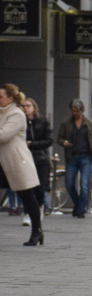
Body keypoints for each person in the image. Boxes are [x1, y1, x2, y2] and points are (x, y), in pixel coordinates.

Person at [0, 84, 44, 246]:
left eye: (1, 96)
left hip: (16, 161)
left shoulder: (17, 114)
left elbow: (4, 135)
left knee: (27, 196)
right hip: (1, 162)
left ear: (10, 99)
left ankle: (37, 231)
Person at [56, 98, 92, 219]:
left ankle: (80, 210)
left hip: (86, 156)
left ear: (82, 110)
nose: (75, 113)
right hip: (72, 156)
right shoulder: (66, 123)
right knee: (69, 184)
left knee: (85, 185)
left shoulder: (90, 124)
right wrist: (64, 142)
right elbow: (59, 138)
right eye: (73, 111)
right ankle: (78, 204)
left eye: (77, 111)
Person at [21, 97, 52, 225]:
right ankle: (28, 212)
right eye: (23, 106)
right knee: (27, 187)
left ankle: (39, 208)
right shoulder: (20, 122)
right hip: (26, 158)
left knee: (40, 187)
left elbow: (49, 140)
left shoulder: (42, 121)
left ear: (34, 107)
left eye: (28, 105)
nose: (25, 108)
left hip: (41, 157)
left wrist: (32, 144)